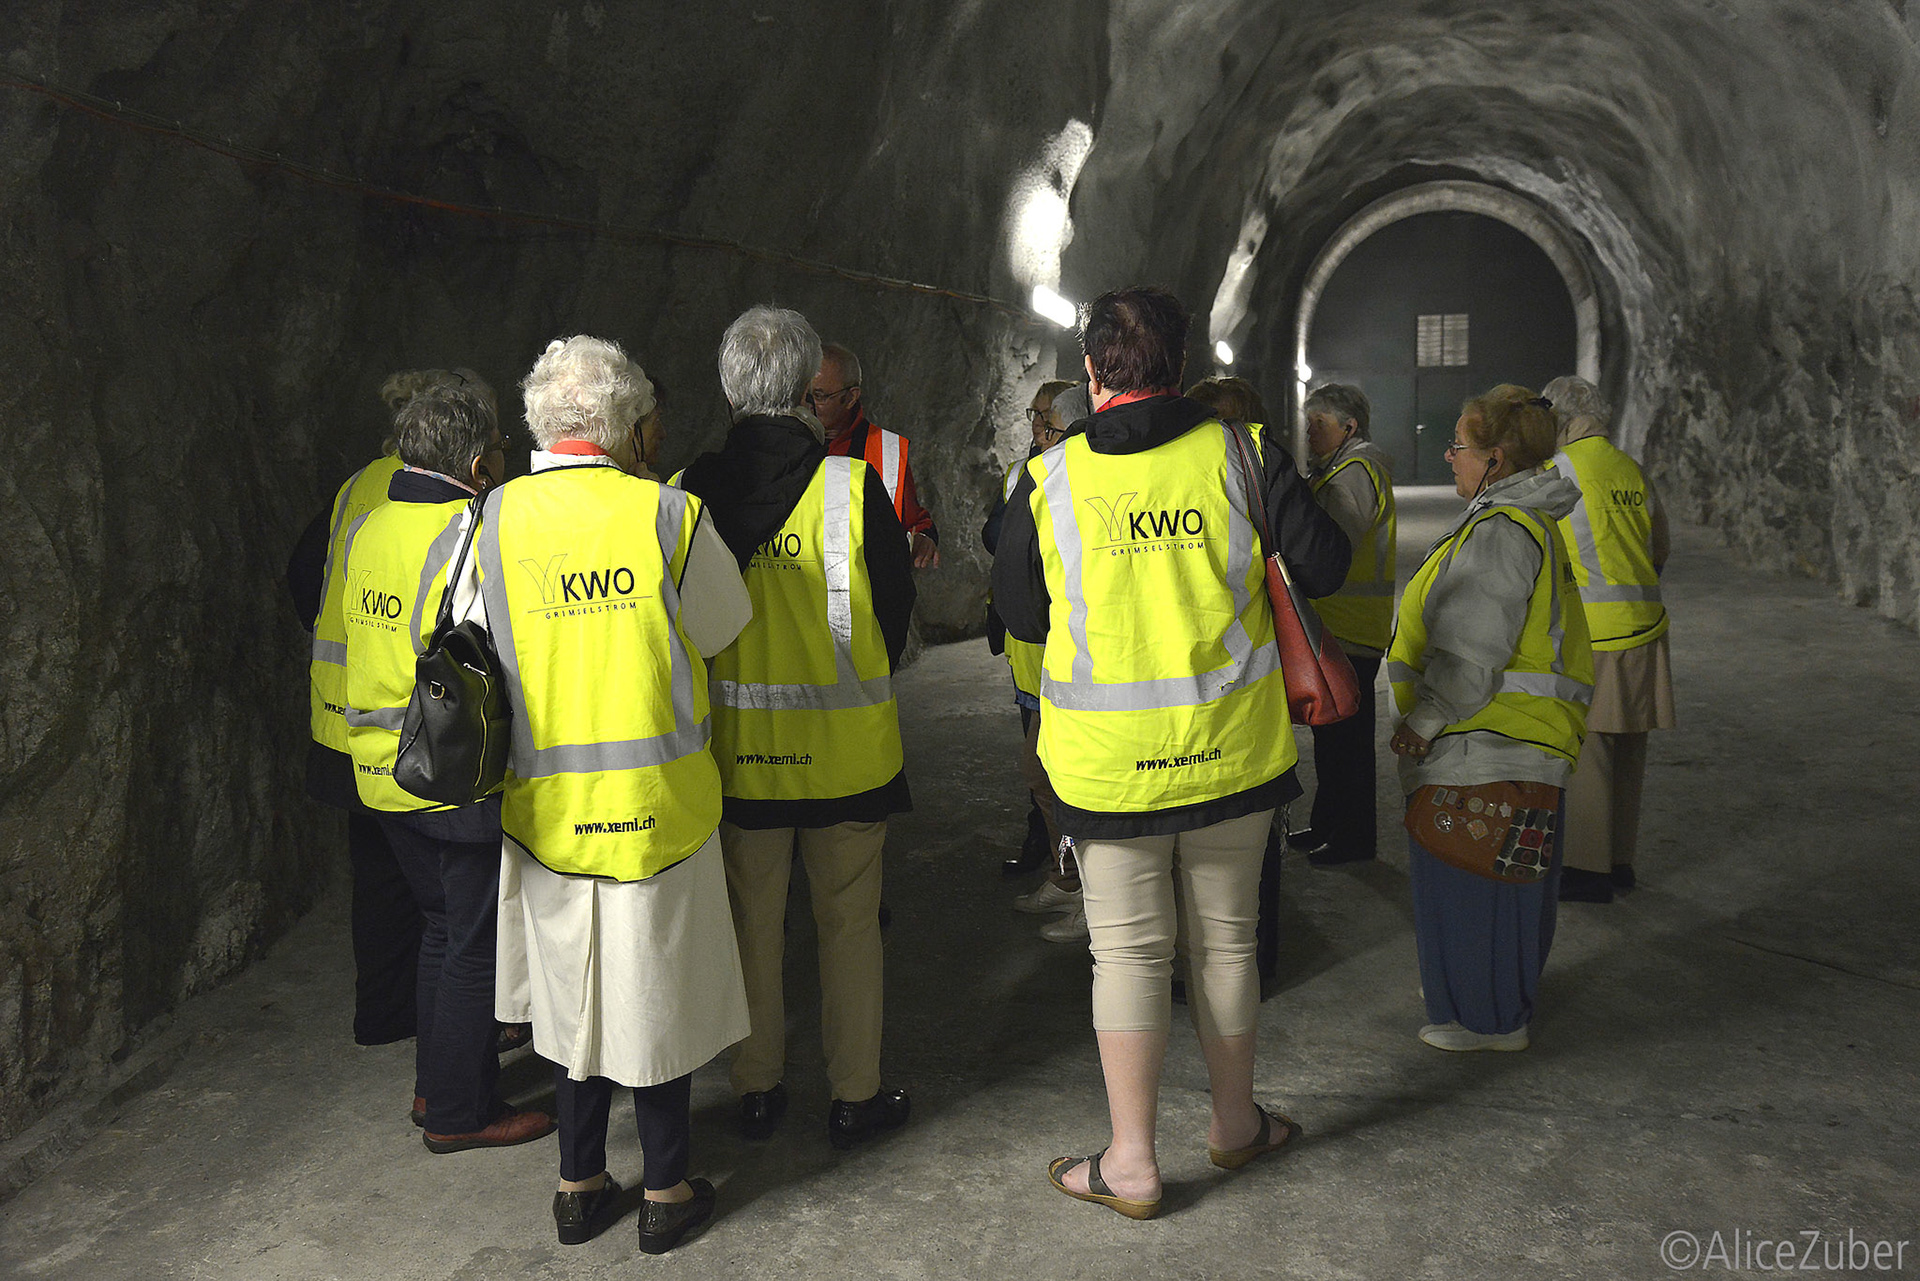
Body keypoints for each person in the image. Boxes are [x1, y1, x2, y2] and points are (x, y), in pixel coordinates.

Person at [994, 287, 1349, 1219]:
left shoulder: (1052, 478)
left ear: (1093, 368)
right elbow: (1328, 563)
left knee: (1128, 958)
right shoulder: (1243, 453)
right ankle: (1236, 1125)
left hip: (1107, 768)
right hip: (1231, 755)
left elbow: (1021, 614)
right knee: (1226, 945)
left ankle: (1134, 1163)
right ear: (1180, 366)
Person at [473, 336, 752, 1253]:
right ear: (630, 427)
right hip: (656, 810)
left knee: (571, 1001)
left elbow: (464, 648)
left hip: (546, 815)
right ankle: (667, 1190)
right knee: (653, 998)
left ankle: (579, 1182)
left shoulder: (489, 523)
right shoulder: (668, 516)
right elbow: (722, 624)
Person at [678, 307, 917, 1151]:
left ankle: (755, 1085)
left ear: (729, 389)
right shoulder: (852, 491)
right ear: (810, 391)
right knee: (851, 925)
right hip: (848, 759)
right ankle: (855, 1093)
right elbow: (894, 615)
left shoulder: (688, 495)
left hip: (738, 765)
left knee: (752, 924)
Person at [338, 385, 557, 1152]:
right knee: (471, 941)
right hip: (447, 772)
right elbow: (500, 646)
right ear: (476, 462)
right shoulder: (467, 529)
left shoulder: (370, 524)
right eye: (499, 447)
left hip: (377, 768)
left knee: (439, 929)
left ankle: (436, 1089)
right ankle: (463, 1112)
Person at [1386, 384, 1593, 1052]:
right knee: (1501, 880)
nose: (1450, 456)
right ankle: (1488, 1001)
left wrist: (1425, 718)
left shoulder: (1503, 530)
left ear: (1496, 459)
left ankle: (1486, 1016)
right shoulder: (1522, 522)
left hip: (1488, 741)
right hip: (1513, 743)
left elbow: (1474, 645)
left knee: (1474, 880)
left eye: (1460, 445)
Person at [1541, 375, 1675, 903]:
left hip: (1594, 635)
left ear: (1560, 417)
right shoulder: (1631, 470)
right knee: (1629, 753)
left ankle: (1585, 869)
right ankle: (1620, 861)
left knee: (1588, 750)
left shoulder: (1559, 473)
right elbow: (1659, 545)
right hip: (1648, 628)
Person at [983, 379, 1086, 941]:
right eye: (1035, 418)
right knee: (1041, 776)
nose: (1037, 430)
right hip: (1030, 657)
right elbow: (996, 535)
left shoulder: (1073, 476)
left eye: (1047, 422)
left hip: (1069, 658)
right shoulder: (1028, 474)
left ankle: (1088, 892)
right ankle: (1067, 876)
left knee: (1060, 779)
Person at [1295, 382, 1397, 866]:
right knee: (1332, 737)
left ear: (1349, 427)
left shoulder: (1355, 473)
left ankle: (1353, 837)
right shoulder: (1340, 468)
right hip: (1344, 624)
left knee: (1348, 743)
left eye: (1319, 424)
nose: (1309, 432)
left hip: (1352, 626)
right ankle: (1328, 823)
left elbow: (1335, 545)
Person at [810, 342, 941, 568]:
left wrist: (924, 537)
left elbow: (913, 521)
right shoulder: (783, 444)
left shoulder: (886, 450)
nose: (808, 405)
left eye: (820, 396)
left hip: (866, 596)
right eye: (804, 394)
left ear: (851, 398)